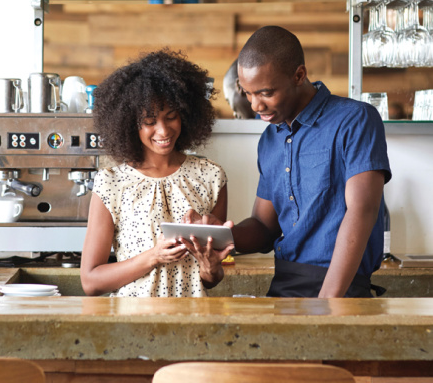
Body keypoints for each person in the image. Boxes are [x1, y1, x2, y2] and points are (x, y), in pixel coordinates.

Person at [203, 26, 391, 298]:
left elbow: (362, 211)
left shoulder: (355, 120)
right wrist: (217, 235)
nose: (255, 105)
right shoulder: (269, 140)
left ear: (299, 75)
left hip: (340, 289)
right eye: (247, 93)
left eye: (266, 93)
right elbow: (264, 227)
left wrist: (327, 304)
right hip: (284, 286)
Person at [80, 49, 234, 297]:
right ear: (130, 123)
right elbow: (91, 281)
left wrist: (211, 267)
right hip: (132, 325)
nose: (163, 131)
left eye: (171, 117)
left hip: (193, 323)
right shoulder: (112, 183)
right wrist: (154, 256)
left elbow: (210, 280)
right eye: (150, 122)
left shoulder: (211, 177)